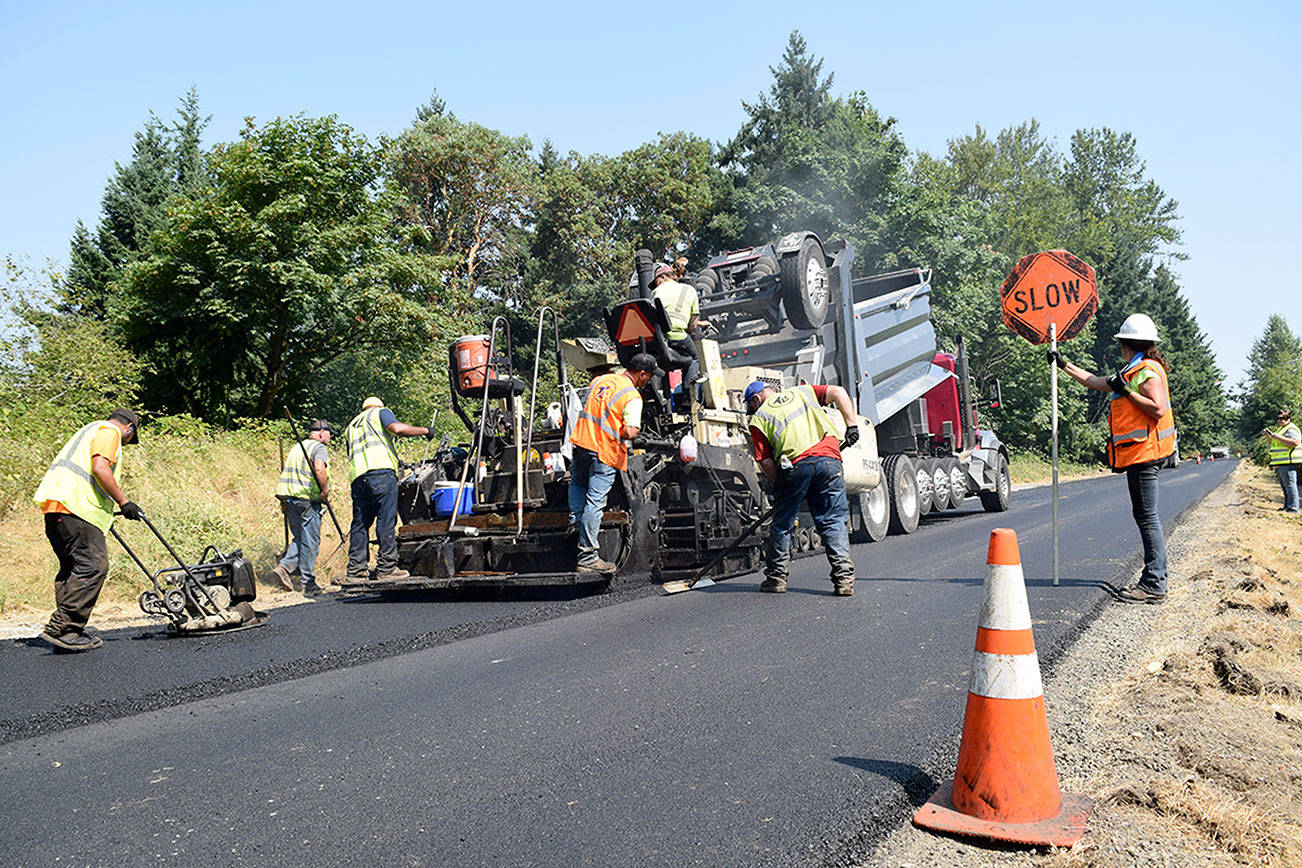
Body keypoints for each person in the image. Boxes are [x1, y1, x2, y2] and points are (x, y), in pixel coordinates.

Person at [1049, 313, 1177, 603]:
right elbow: (1094, 381)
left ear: (1126, 344)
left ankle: (1155, 583)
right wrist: (1064, 363)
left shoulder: (1147, 371)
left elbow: (1156, 409)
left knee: (1147, 518)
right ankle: (1155, 579)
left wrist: (1127, 391)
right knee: (1145, 517)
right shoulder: (1132, 370)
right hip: (1140, 453)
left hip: (1146, 453)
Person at [32, 408, 144, 652]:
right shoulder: (109, 431)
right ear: (129, 427)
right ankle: (61, 628)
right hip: (77, 507)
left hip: (57, 508)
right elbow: (100, 468)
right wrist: (124, 502)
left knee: (73, 568)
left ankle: (69, 633)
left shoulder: (87, 431)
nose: (126, 443)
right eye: (129, 438)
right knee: (93, 565)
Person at [745, 380, 859, 596]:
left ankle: (776, 579)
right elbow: (838, 392)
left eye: (750, 405)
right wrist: (851, 425)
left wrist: (784, 485)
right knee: (833, 520)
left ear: (756, 400)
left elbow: (767, 462)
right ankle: (844, 580)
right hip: (830, 461)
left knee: (783, 524)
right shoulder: (802, 392)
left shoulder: (759, 418)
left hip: (794, 466)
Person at [568, 353, 657, 572]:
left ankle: (576, 524)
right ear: (642, 374)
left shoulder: (601, 380)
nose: (649, 381)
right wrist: (633, 431)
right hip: (604, 451)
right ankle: (587, 556)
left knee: (577, 485)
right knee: (595, 501)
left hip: (581, 443)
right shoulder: (633, 396)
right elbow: (628, 431)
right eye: (649, 376)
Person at [345, 397, 433, 581]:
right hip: (381, 473)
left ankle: (356, 569)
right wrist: (425, 431)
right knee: (386, 518)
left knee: (360, 522)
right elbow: (397, 429)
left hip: (358, 477)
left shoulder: (352, 425)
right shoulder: (380, 412)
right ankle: (386, 568)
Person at [273, 420, 333, 596]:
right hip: (307, 498)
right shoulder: (319, 447)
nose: (329, 439)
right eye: (329, 435)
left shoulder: (297, 447)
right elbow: (319, 468)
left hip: (289, 497)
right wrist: (324, 490)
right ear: (322, 433)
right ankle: (308, 583)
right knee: (310, 541)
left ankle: (284, 568)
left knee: (299, 537)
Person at [650, 263, 711, 392]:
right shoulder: (689, 290)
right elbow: (692, 326)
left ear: (662, 277)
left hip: (659, 341)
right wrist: (689, 328)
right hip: (678, 337)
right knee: (693, 359)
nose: (655, 285)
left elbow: (656, 317)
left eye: (656, 282)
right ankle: (689, 398)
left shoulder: (656, 292)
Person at [1263, 408, 1301, 514]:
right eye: (1278, 418)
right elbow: (1273, 444)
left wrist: (1278, 437)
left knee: (1290, 485)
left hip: (1288, 461)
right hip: (1280, 462)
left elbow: (1295, 442)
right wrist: (1269, 437)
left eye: (1282, 418)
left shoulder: (1291, 429)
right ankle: (1287, 506)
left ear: (1288, 418)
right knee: (1285, 486)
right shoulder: (1281, 429)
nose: (1279, 420)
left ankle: (1293, 508)